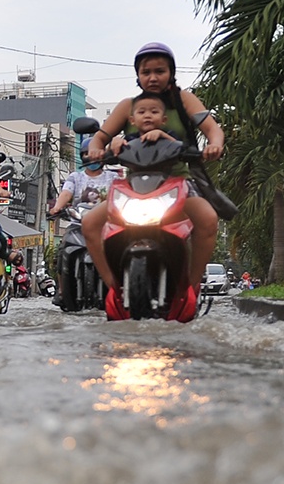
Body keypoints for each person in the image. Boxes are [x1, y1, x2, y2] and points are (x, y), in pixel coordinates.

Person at [80, 43, 227, 322]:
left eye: (160, 71)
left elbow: (212, 129)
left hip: (178, 183)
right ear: (138, 76)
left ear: (171, 73)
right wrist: (101, 146)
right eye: (146, 72)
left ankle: (191, 287)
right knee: (89, 224)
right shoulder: (128, 107)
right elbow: (100, 137)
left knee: (208, 219)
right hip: (132, 187)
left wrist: (214, 145)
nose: (153, 77)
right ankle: (113, 286)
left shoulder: (185, 100)